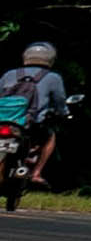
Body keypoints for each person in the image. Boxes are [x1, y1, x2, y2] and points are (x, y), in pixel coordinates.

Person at [0, 43, 65, 198]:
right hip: (29, 124)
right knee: (50, 137)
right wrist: (63, 113)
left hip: (2, 121)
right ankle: (36, 173)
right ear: (50, 59)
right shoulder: (53, 78)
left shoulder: (9, 74)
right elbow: (60, 102)